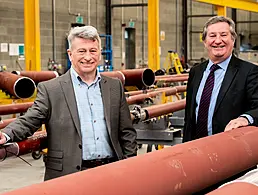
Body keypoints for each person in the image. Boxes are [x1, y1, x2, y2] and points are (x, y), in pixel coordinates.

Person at [0, 25, 137, 180]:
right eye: (81, 51)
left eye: (93, 50)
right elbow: (29, 120)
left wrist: (129, 165)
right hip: (68, 175)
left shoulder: (114, 86)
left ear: (99, 54)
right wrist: (5, 134)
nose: (88, 56)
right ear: (70, 54)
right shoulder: (51, 89)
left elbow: (127, 132)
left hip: (111, 172)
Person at [183, 16, 258, 142]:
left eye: (223, 35)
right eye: (212, 36)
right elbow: (189, 118)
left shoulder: (249, 72)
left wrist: (245, 118)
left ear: (233, 40)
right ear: (205, 41)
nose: (218, 41)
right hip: (197, 150)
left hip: (230, 151)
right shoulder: (196, 72)